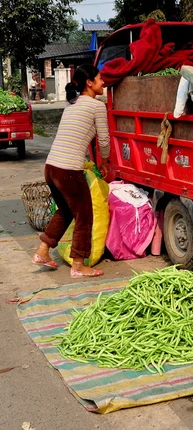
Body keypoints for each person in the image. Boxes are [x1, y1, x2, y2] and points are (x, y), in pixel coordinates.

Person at [32, 64, 110, 278]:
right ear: (89, 82)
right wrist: (104, 162)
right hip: (68, 170)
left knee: (66, 210)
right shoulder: (97, 106)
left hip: (51, 167)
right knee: (84, 215)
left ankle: (43, 251)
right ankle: (78, 265)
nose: (104, 82)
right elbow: (103, 139)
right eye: (100, 78)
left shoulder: (71, 104)